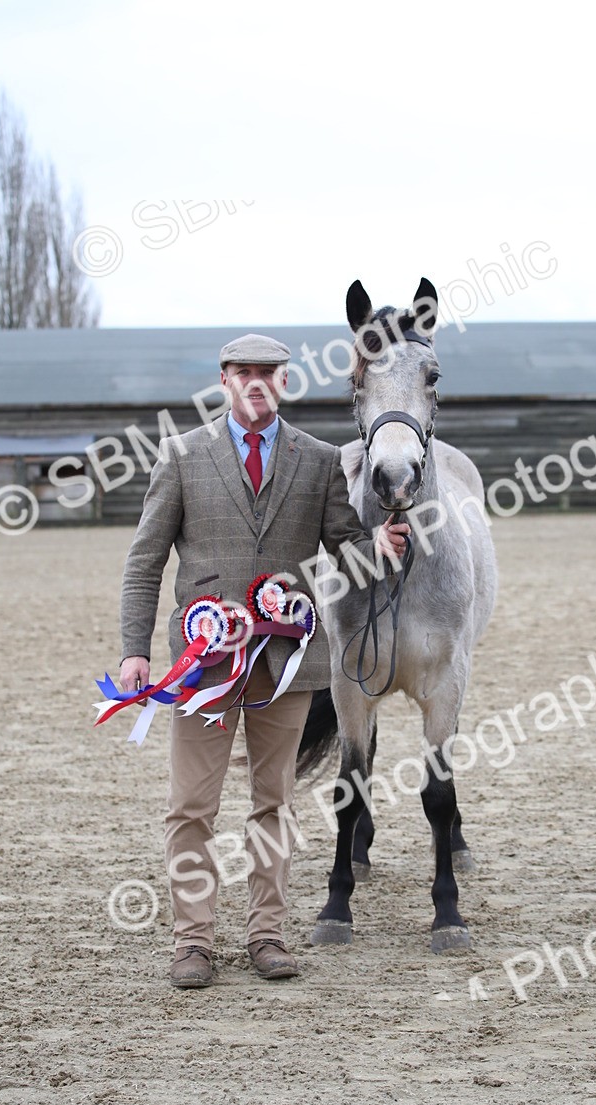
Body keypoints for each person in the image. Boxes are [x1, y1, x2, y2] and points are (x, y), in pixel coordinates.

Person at [119, 333, 409, 988]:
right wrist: (135, 652)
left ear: (284, 382)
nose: (257, 382)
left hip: (289, 664)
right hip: (203, 666)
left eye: (269, 373)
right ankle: (192, 941)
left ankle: (267, 933)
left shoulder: (321, 460)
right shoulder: (183, 457)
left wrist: (381, 546)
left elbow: (346, 551)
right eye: (244, 372)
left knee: (274, 803)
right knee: (192, 806)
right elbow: (144, 563)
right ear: (224, 380)